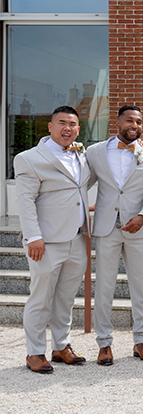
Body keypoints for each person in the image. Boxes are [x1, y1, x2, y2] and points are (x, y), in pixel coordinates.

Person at [15, 106, 91, 373]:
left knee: (66, 297)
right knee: (41, 297)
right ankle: (35, 352)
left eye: (72, 124)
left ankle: (61, 346)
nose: (67, 128)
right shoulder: (29, 158)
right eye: (61, 123)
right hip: (45, 242)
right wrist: (33, 237)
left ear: (78, 130)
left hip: (77, 237)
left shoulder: (82, 154)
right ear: (50, 127)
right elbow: (25, 200)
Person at [86, 105, 143, 365]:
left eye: (139, 121)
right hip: (107, 228)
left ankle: (141, 340)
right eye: (129, 120)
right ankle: (104, 344)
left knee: (139, 286)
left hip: (137, 228)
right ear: (117, 121)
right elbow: (79, 184)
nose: (135, 125)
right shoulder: (94, 152)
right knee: (104, 286)